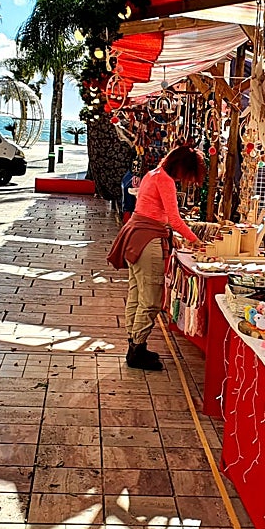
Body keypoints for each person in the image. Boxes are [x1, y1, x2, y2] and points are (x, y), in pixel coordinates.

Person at [108, 145, 214, 370]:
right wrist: (196, 241)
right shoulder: (165, 180)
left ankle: (135, 343)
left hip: (135, 235)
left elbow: (155, 212)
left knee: (136, 292)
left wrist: (170, 232)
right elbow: (174, 219)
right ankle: (136, 348)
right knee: (152, 299)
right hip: (148, 240)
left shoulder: (152, 174)